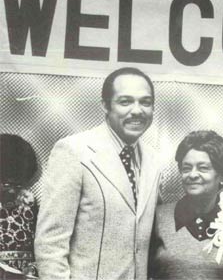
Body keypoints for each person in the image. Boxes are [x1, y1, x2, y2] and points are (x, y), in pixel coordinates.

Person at [35, 67, 161, 280]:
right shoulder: (73, 150)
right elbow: (50, 243)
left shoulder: (154, 159)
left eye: (145, 102)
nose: (137, 110)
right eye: (125, 101)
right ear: (105, 105)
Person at [149, 130, 223, 279]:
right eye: (186, 168)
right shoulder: (158, 218)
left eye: (203, 168)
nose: (193, 175)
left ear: (221, 174)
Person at [0, 134, 38, 278]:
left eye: (18, 184)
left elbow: (45, 250)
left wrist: (32, 270)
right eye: (7, 184)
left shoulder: (30, 209)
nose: (12, 190)